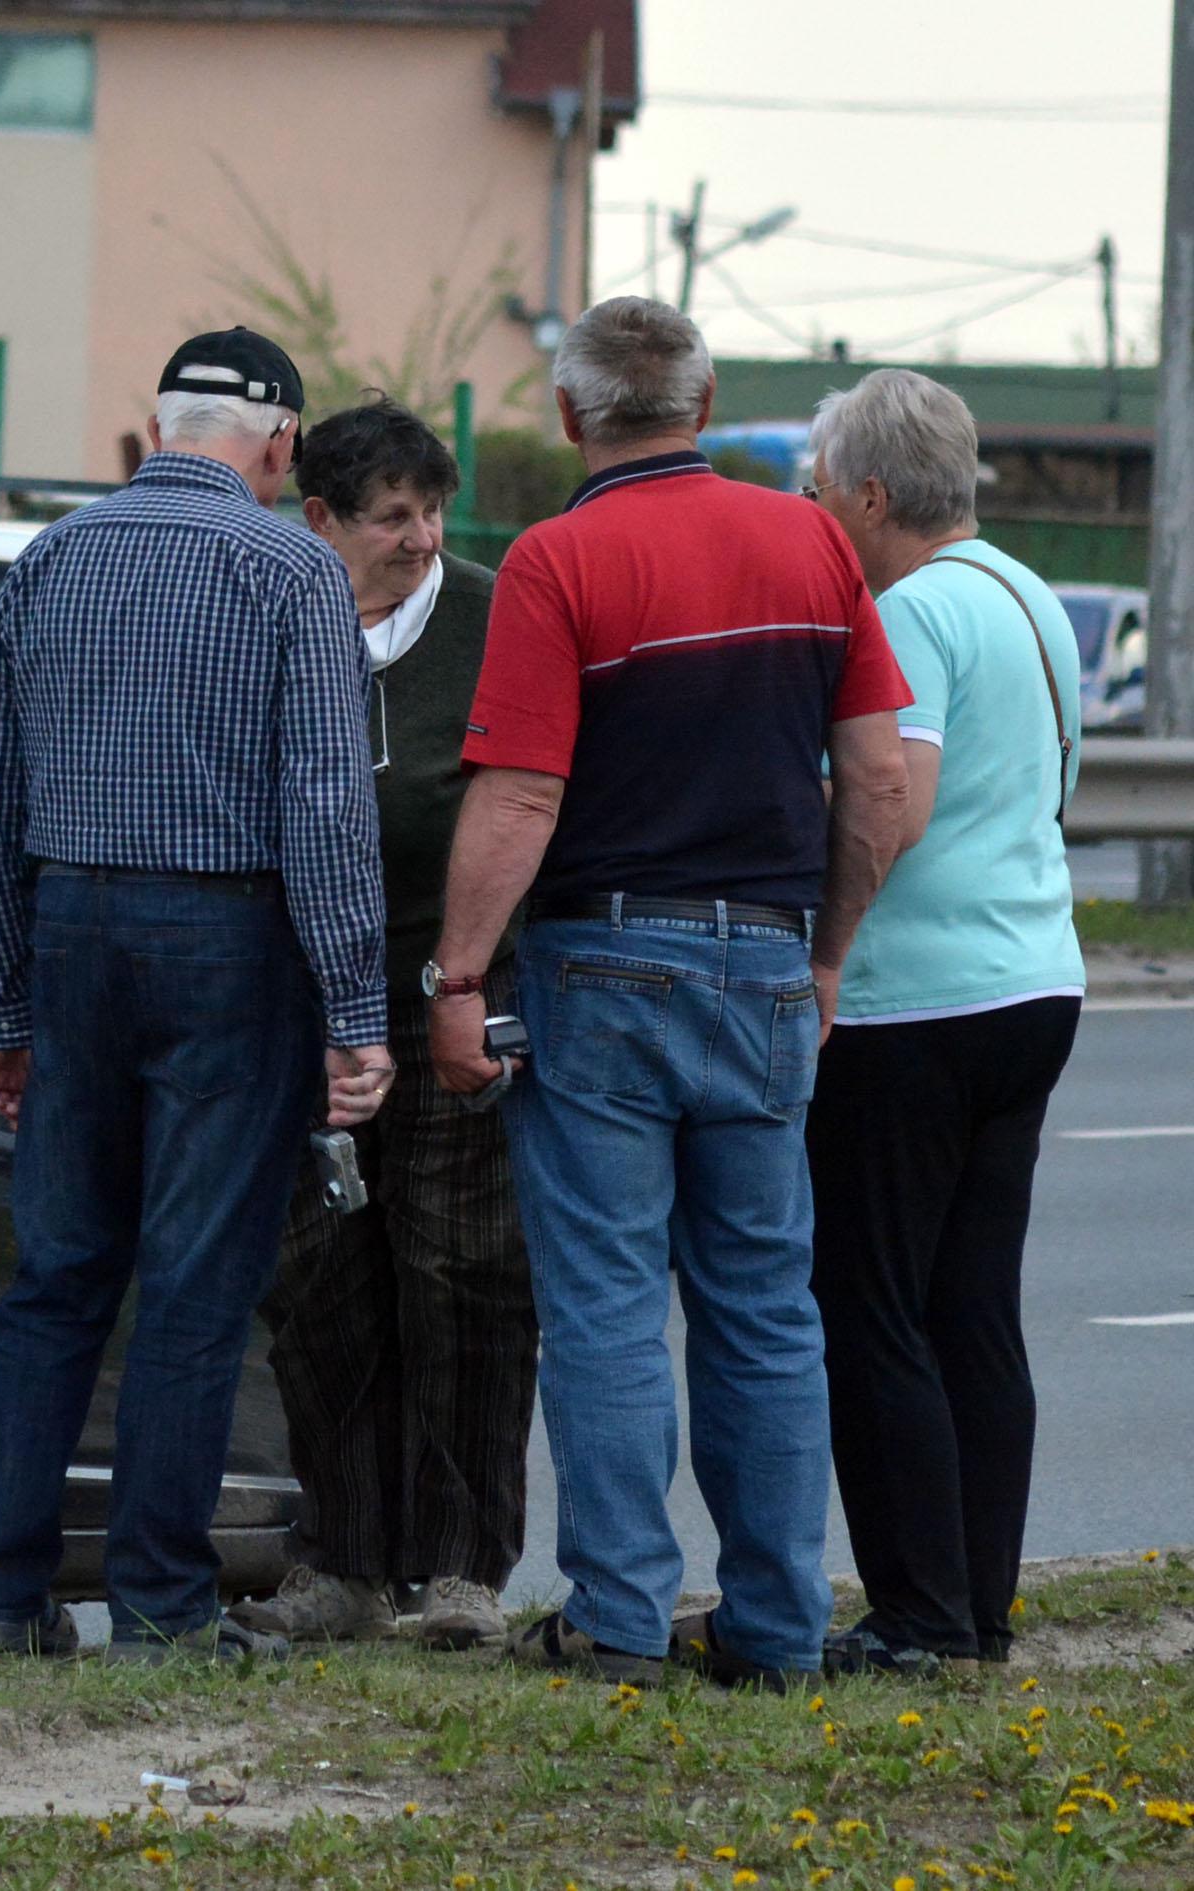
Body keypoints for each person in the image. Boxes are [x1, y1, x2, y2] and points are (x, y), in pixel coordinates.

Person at [426, 297, 914, 1686]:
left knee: (605, 1304)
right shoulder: (811, 537)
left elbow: (521, 792)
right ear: (702, 405)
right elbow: (877, 782)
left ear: (575, 417)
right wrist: (820, 956)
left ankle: (621, 1619)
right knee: (765, 1304)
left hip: (602, 961)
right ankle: (773, 1627)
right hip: (763, 960)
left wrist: (458, 974)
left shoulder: (555, 558)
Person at [0, 327, 393, 1664]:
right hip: (228, 938)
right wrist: (355, 1010)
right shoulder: (290, 568)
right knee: (195, 1290)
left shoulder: (51, 558)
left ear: (156, 430)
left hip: (74, 927)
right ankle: (158, 1606)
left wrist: (6, 1006)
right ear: (276, 444)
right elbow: (322, 805)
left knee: (57, 1276)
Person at [225, 398, 537, 1653]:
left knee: (464, 1277)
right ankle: (343, 1561)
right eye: (391, 516)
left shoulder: (494, 614)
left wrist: (477, 980)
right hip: (299, 1003)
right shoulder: (269, 617)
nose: (421, 537)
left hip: (449, 992)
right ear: (320, 520)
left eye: (432, 512)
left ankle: (462, 1572)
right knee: (320, 1284)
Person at [798, 369, 1084, 1675]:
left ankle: (914, 1612)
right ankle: (980, 1604)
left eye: (818, 486)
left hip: (916, 999)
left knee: (875, 1307)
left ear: (870, 494)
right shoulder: (1028, 596)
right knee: (976, 1309)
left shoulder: (907, 610)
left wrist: (825, 952)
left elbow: (887, 808)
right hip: (1036, 976)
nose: (810, 508)